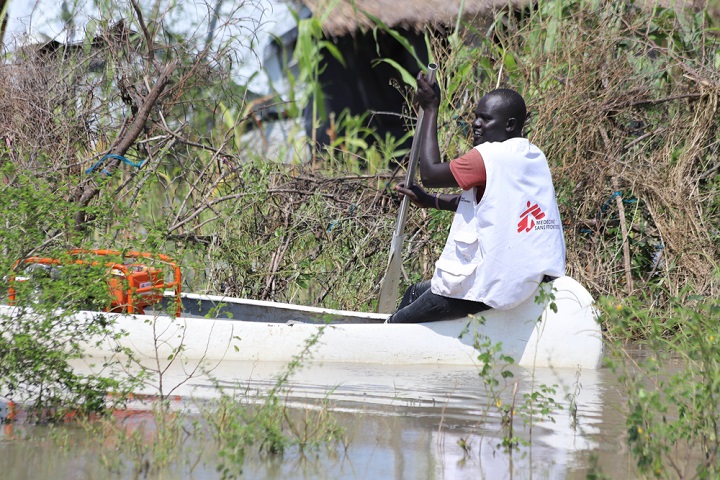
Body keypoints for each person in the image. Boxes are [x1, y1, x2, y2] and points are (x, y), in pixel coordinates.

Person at [386, 74, 566, 323]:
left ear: (510, 125)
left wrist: (430, 109)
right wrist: (430, 201)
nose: (476, 124)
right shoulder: (533, 156)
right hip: (530, 278)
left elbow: (429, 173)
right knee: (415, 292)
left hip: (492, 284)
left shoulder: (485, 156)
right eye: (476, 116)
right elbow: (488, 205)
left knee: (397, 324)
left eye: (486, 119)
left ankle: (392, 329)